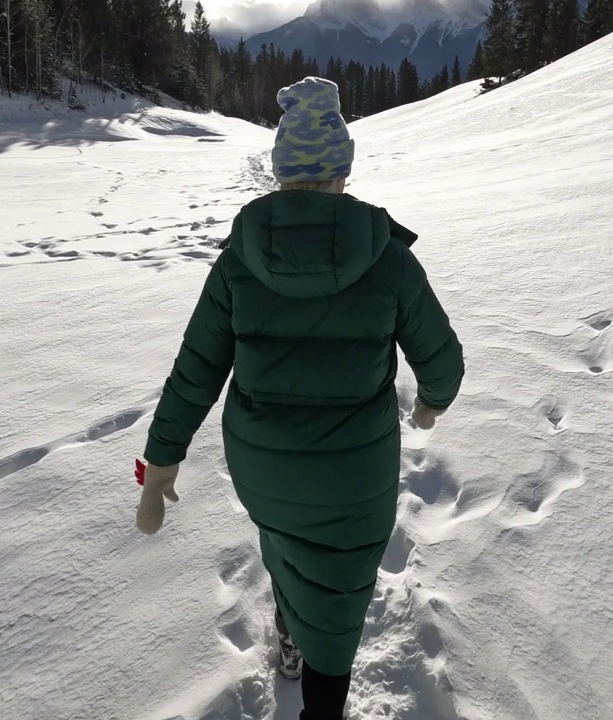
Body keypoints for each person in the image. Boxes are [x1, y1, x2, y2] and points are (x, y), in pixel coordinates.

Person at [134, 76, 464, 720]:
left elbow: (194, 372)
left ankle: (289, 635)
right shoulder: (388, 260)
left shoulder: (237, 262)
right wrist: (430, 402)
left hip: (265, 468)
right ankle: (322, 702)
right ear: (342, 170)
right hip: (354, 472)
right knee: (339, 593)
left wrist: (159, 460)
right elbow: (443, 360)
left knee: (288, 545)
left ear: (281, 174)